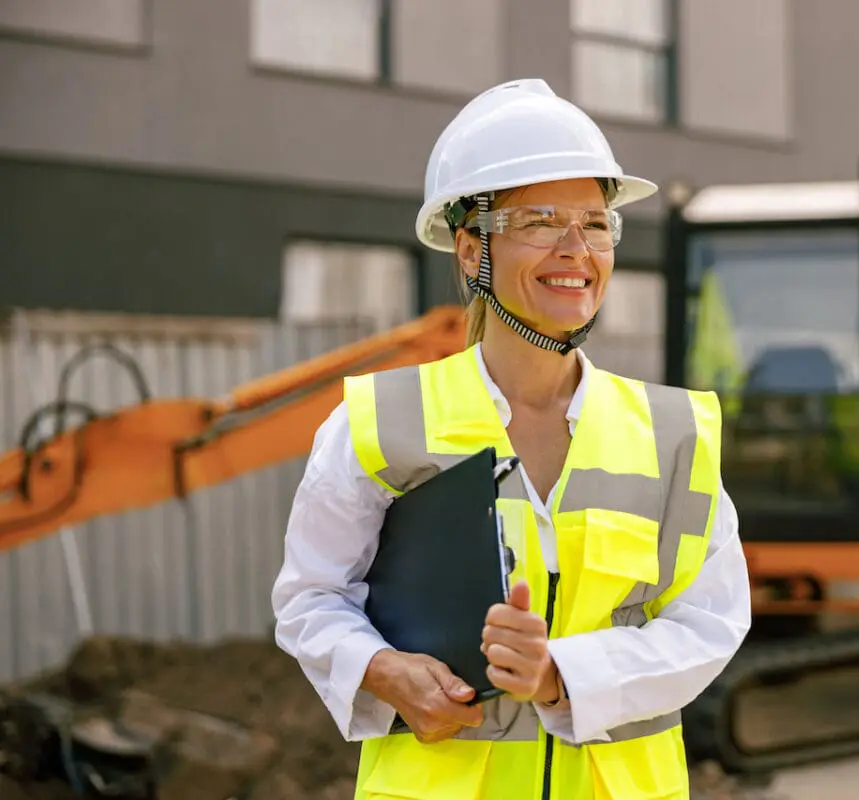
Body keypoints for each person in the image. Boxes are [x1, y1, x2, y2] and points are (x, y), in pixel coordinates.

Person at [271, 78, 752, 800]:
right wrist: (380, 669)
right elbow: (311, 599)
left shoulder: (672, 435)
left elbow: (710, 621)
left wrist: (561, 675)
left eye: (594, 223)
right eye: (540, 221)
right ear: (471, 252)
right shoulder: (379, 422)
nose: (575, 248)